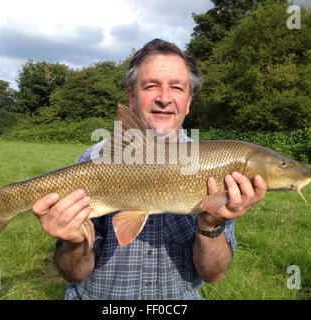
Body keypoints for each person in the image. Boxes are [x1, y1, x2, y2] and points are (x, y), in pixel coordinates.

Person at [32, 39, 267, 299]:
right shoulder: (95, 157)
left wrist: (212, 223)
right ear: (132, 98)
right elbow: (74, 273)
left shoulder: (216, 163)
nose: (164, 98)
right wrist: (74, 242)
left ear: (188, 102)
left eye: (177, 87)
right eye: (151, 86)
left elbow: (212, 275)